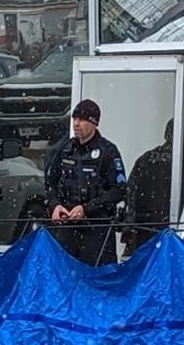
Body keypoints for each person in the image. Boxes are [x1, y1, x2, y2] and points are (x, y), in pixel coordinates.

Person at [43, 99, 128, 265]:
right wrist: (55, 205)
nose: (76, 124)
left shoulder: (108, 151)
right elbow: (50, 182)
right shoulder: (65, 149)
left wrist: (87, 209)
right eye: (74, 119)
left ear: (94, 123)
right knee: (64, 272)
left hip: (97, 229)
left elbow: (119, 190)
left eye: (82, 120)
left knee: (97, 275)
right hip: (67, 227)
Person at [124, 119, 175, 254]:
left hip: (144, 225)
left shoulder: (146, 159)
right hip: (166, 223)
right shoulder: (183, 161)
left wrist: (130, 225)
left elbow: (130, 193)